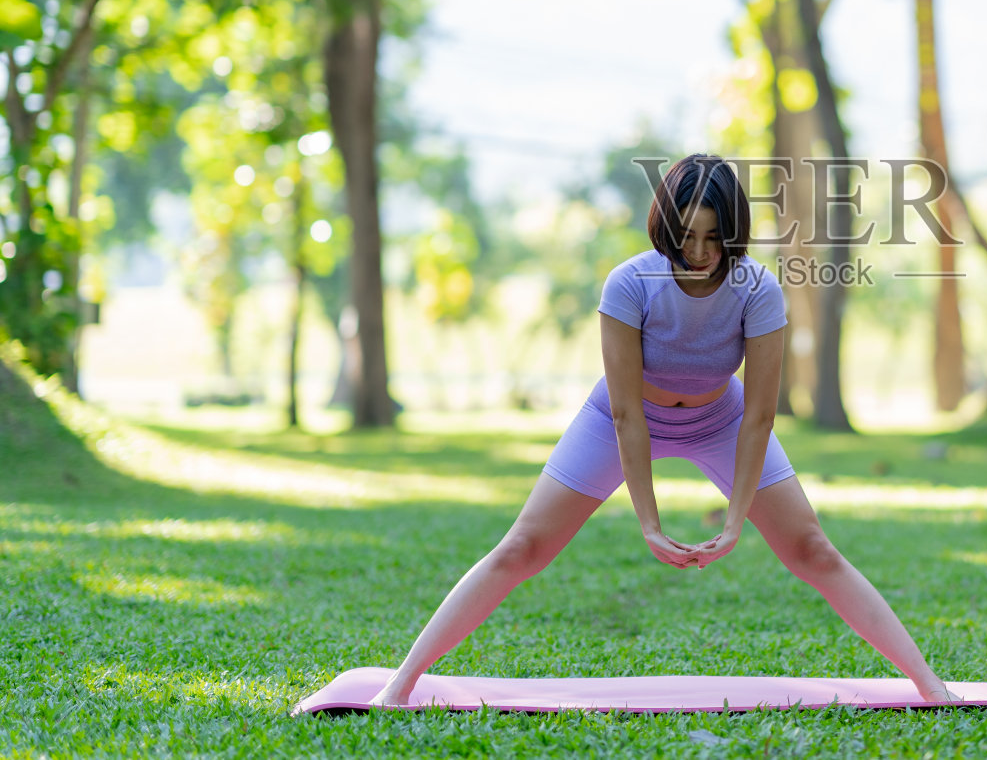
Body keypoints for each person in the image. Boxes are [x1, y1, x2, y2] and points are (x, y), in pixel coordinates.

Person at [370, 153, 957, 706]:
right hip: (621, 417)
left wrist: (735, 522)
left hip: (721, 419)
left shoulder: (757, 289)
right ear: (666, 227)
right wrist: (648, 525)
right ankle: (399, 686)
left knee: (813, 549)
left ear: (734, 234)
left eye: (714, 238)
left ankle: (931, 687)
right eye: (687, 235)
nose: (698, 252)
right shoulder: (630, 283)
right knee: (522, 547)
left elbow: (759, 417)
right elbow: (626, 415)